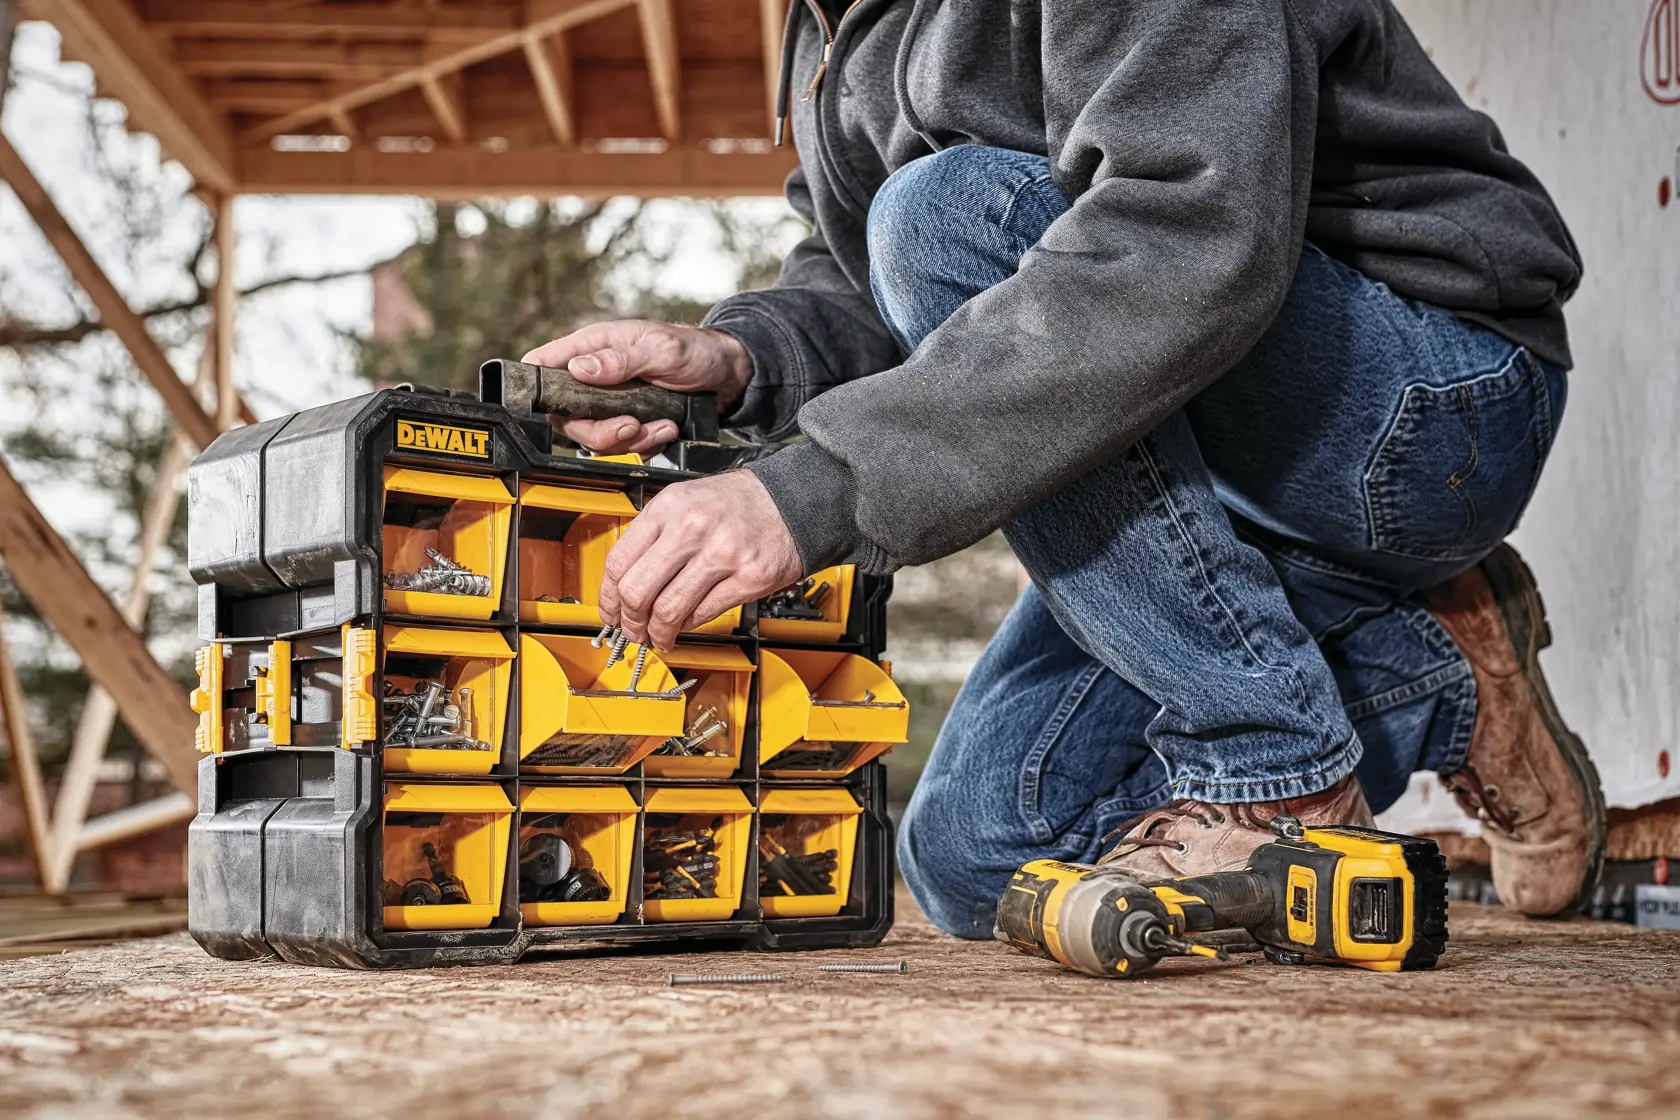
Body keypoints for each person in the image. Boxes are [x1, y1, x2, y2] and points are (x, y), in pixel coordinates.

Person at [522, 0, 1604, 931]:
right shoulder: (827, 23)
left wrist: (813, 491)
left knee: (940, 215)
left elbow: (1183, 236)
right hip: (1202, 443)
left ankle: (1271, 777)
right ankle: (1441, 675)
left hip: (1428, 403)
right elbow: (870, 282)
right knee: (978, 855)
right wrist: (743, 358)